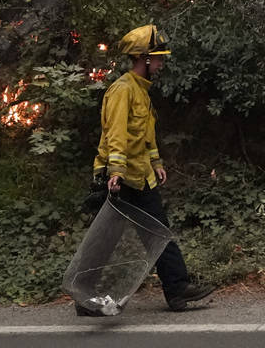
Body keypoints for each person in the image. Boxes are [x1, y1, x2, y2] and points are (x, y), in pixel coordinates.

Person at [83, 24, 215, 313]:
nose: (161, 62)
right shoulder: (122, 90)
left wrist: (156, 163)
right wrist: (115, 171)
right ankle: (84, 296)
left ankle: (178, 290)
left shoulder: (142, 92)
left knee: (158, 232)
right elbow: (115, 133)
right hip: (119, 179)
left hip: (141, 177)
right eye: (157, 57)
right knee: (105, 241)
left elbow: (145, 135)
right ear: (143, 59)